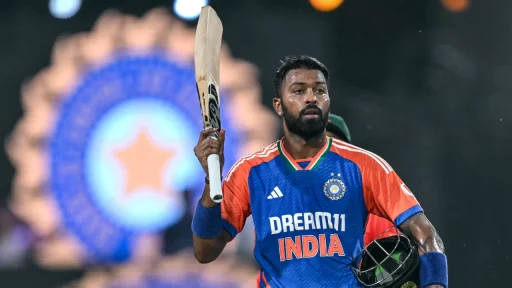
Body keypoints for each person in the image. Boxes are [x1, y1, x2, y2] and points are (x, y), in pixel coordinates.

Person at [191, 55, 448, 288]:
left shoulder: (365, 166)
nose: (311, 97)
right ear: (278, 105)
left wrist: (436, 284)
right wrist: (209, 180)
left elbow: (425, 233)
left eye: (320, 90)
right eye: (299, 91)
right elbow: (205, 252)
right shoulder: (251, 171)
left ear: (328, 100)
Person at [326, 114, 397, 247]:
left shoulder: (372, 212)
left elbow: (395, 259)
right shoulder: (285, 203)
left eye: (336, 144)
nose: (327, 151)